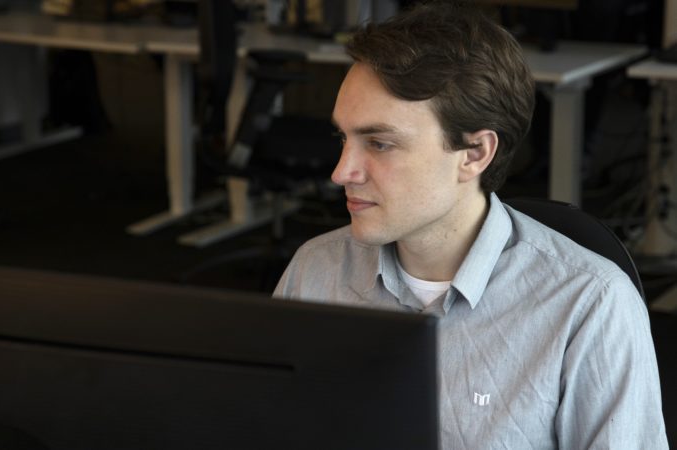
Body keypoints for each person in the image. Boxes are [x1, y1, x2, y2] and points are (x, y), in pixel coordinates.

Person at [273, 1, 669, 448]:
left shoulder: (589, 305)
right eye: (343, 139)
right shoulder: (314, 272)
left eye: (379, 143)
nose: (342, 171)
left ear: (475, 153)